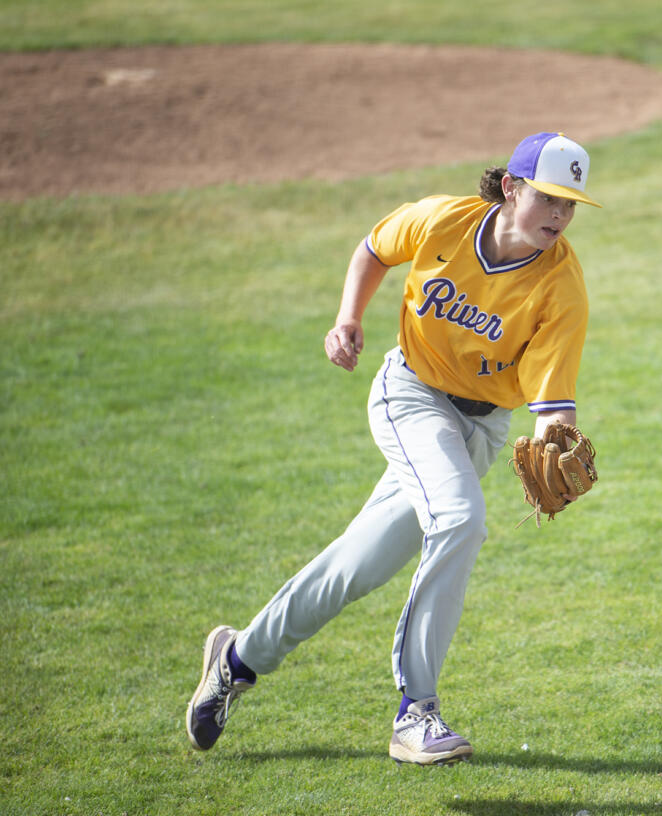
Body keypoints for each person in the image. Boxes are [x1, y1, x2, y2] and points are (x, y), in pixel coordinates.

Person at [185, 132, 600, 765]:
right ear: (511, 187)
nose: (559, 216)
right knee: (460, 520)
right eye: (548, 197)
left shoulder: (561, 285)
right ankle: (417, 713)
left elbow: (552, 403)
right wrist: (348, 318)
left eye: (570, 204)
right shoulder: (445, 221)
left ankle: (237, 658)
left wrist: (555, 442)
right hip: (410, 397)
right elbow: (375, 249)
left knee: (360, 564)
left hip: (483, 427)